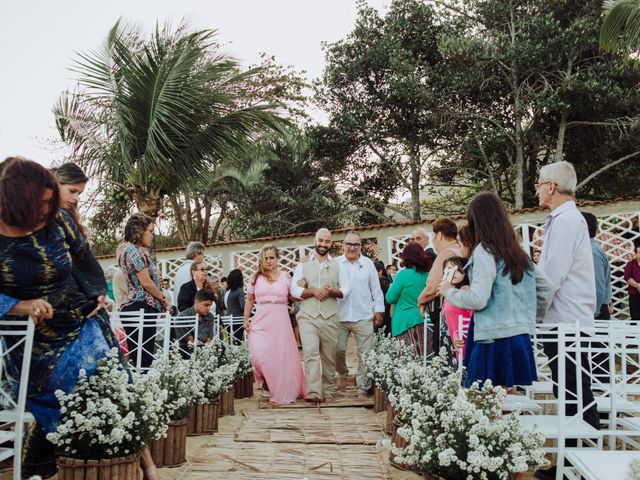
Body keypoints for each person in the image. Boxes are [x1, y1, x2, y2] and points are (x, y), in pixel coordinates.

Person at [0, 158, 157, 479]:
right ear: (19, 199)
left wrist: (97, 292)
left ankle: (148, 467)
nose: (48, 208)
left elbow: (85, 258)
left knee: (118, 384)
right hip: (37, 342)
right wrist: (21, 305)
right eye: (41, 202)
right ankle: (48, 466)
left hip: (84, 321)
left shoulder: (59, 221)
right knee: (73, 397)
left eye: (51, 200)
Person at [438, 192, 552, 389]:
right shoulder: (517, 252)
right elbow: (546, 289)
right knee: (506, 397)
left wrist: (449, 291)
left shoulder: (484, 251)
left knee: (483, 400)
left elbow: (478, 299)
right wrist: (531, 319)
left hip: (491, 337)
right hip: (518, 334)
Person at [535, 161, 600, 480]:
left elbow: (551, 277)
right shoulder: (567, 220)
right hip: (566, 322)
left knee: (575, 392)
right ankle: (573, 460)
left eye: (539, 183)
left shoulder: (564, 221)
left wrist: (530, 314)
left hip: (566, 324)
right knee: (570, 391)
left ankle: (582, 462)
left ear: (551, 187)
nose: (537, 188)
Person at [291, 228, 350, 403]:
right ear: (315, 240)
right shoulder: (303, 264)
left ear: (331, 243)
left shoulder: (338, 265)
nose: (323, 244)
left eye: (327, 241)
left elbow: (347, 288)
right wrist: (313, 291)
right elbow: (294, 289)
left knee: (329, 355)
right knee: (310, 352)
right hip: (308, 315)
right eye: (320, 240)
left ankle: (328, 390)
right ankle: (314, 391)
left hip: (330, 316)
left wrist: (334, 291)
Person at [244, 245, 306, 404]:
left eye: (272, 257)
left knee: (280, 356)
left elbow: (295, 296)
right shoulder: (256, 277)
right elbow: (250, 299)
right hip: (261, 319)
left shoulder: (286, 276)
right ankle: (266, 384)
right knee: (258, 356)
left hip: (280, 320)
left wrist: (304, 280)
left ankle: (279, 388)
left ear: (277, 258)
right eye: (266, 258)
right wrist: (246, 319)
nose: (269, 261)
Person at [335, 231, 385, 398]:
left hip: (363, 314)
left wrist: (379, 310)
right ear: (343, 245)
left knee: (365, 353)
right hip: (339, 316)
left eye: (355, 244)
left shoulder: (368, 264)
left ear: (360, 246)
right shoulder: (336, 264)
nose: (352, 247)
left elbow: (376, 290)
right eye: (349, 244)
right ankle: (342, 374)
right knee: (338, 349)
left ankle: (362, 386)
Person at [119, 213, 168, 369]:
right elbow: (146, 283)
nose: (152, 236)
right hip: (139, 307)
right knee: (142, 360)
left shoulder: (133, 251)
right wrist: (163, 298)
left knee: (142, 359)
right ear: (139, 231)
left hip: (141, 307)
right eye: (150, 231)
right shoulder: (133, 251)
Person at [417, 218, 462, 357]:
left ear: (439, 235)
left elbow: (433, 287)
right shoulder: (461, 251)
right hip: (460, 312)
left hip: (444, 314)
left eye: (433, 237)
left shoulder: (446, 254)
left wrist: (420, 300)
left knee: (443, 357)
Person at [385, 243, 431, 357]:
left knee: (408, 361)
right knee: (426, 358)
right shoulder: (428, 275)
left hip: (405, 322)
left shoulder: (403, 275)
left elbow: (390, 298)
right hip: (425, 319)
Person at [440, 256, 472, 361]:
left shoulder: (465, 290)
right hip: (451, 341)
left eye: (458, 270)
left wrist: (458, 334)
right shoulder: (448, 293)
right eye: (449, 269)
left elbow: (472, 316)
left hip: (464, 341)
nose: (453, 273)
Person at [582, 212, 612, 320]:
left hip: (596, 313)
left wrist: (593, 313)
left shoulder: (592, 252)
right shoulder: (589, 249)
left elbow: (597, 286)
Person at [51, 162, 89, 238]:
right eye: (72, 191)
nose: (76, 198)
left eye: (79, 193)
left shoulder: (70, 216)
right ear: (56, 184)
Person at [176, 288, 216, 357]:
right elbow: (191, 342)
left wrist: (208, 347)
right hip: (186, 350)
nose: (209, 308)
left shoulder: (210, 316)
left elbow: (209, 338)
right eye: (206, 305)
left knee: (221, 348)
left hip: (205, 348)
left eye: (210, 305)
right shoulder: (182, 317)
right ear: (196, 302)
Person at [225, 269, 246, 344]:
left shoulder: (227, 291)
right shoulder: (239, 290)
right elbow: (243, 306)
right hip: (238, 320)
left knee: (231, 341)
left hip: (227, 319)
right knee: (238, 341)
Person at [374, 260, 392, 335]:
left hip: (380, 312)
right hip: (387, 311)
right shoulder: (388, 281)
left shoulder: (380, 282)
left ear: (380, 271)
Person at [624, 241, 640, 319]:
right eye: (639, 252)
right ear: (636, 254)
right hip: (634, 295)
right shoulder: (630, 264)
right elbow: (627, 277)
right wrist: (637, 285)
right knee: (635, 318)